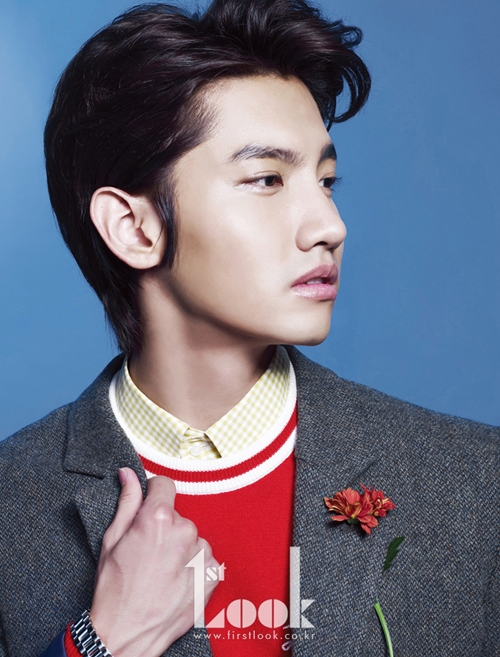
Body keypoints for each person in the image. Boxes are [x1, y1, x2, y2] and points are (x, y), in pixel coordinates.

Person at [0, 1, 498, 657]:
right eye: (267, 179)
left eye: (326, 180)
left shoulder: (473, 481)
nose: (330, 226)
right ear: (134, 228)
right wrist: (102, 643)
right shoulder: (12, 505)